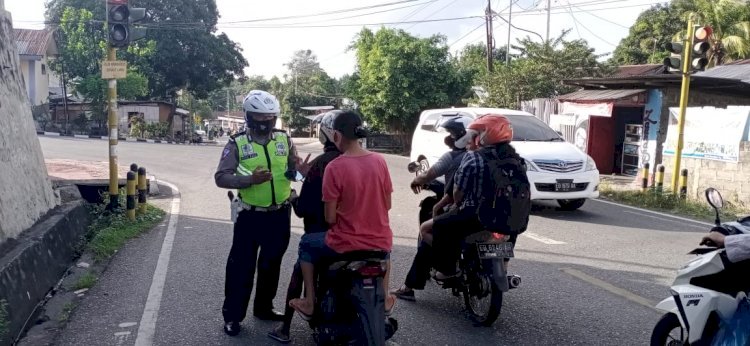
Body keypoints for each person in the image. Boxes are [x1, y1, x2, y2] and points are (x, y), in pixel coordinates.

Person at [214, 90, 306, 336]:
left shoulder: (283, 140)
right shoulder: (237, 142)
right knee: (241, 268)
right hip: (250, 217)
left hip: (279, 215)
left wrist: (302, 172)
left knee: (271, 265)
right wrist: (249, 180)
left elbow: (290, 174)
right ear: (248, 117)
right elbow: (221, 177)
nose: (265, 122)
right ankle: (233, 316)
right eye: (259, 118)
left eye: (270, 118)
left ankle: (264, 308)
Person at [288, 110, 396, 319]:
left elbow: (330, 218)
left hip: (344, 242)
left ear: (336, 136)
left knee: (307, 244)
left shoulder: (334, 167)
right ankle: (385, 297)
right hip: (380, 240)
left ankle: (310, 302)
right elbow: (387, 204)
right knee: (385, 252)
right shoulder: (380, 161)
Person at [267, 111, 343, 344]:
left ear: (328, 134)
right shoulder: (363, 161)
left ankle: (285, 327)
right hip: (361, 236)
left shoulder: (321, 164)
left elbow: (304, 209)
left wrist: (293, 197)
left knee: (300, 268)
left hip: (324, 236)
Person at [431, 114, 527, 281]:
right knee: (509, 226)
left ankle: (448, 270)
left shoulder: (474, 157)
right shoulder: (517, 159)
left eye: (475, 134)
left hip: (476, 216)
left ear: (484, 135)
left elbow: (458, 193)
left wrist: (457, 204)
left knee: (439, 225)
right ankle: (503, 266)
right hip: (511, 216)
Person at [391, 116, 472, 301]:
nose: (449, 138)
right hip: (495, 214)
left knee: (427, 233)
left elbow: (435, 179)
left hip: (462, 212)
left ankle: (411, 285)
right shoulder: (492, 156)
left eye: (451, 134)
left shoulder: (456, 157)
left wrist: (417, 180)